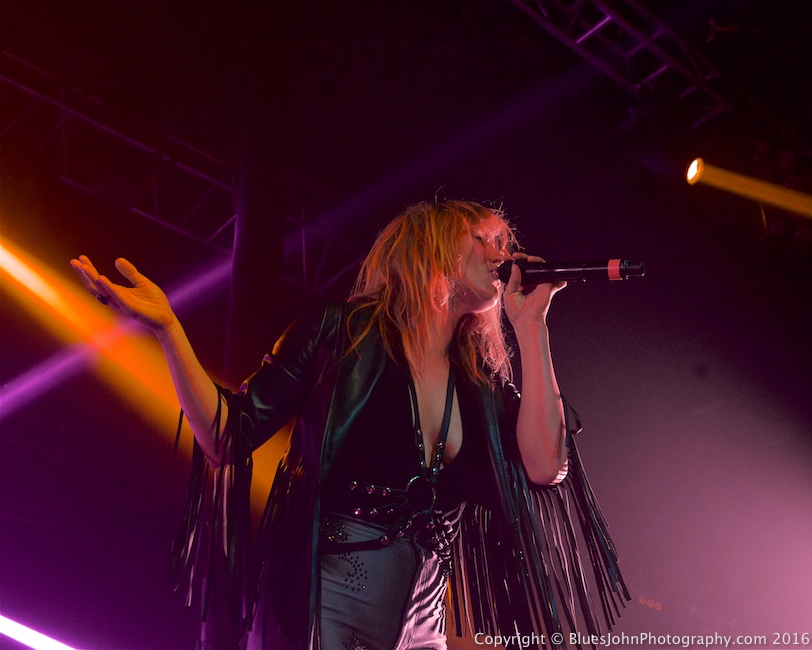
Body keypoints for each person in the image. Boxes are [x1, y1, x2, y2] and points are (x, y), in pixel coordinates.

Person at [71, 199, 627, 650]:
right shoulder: (338, 335)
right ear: (431, 245)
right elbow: (227, 435)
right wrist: (169, 329)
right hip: (325, 612)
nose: (505, 253)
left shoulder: (478, 385)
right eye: (487, 238)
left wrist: (532, 327)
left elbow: (546, 465)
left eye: (507, 243)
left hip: (422, 630)